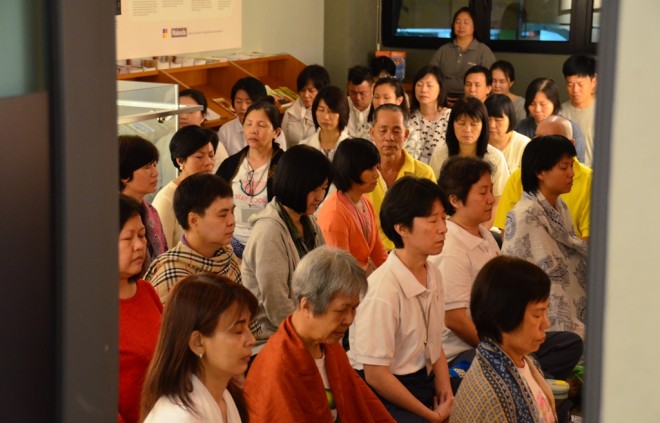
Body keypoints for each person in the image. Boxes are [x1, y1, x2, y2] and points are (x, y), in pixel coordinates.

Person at [431, 157, 582, 393]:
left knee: (569, 343)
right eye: (483, 192)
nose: (491, 199)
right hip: (465, 351)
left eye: (491, 190)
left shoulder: (486, 235)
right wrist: (501, 352)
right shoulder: (451, 248)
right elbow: (455, 319)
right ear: (455, 200)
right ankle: (533, 381)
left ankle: (531, 378)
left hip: (502, 337)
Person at [244, 247, 395, 422]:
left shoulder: (329, 346)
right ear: (307, 306)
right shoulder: (276, 368)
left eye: (353, 309)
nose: (349, 320)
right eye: (341, 311)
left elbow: (361, 405)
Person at [349, 177, 454, 422]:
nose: (443, 228)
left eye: (444, 218)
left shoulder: (433, 273)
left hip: (422, 377)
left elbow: (435, 342)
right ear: (402, 228)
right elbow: (376, 375)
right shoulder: (383, 290)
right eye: (432, 220)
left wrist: (446, 391)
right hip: (383, 391)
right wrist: (430, 414)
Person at [242, 145, 332, 355]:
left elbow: (326, 276)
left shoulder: (308, 221)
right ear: (295, 185)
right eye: (314, 189)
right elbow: (277, 307)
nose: (320, 197)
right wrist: (316, 335)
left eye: (324, 188)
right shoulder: (269, 231)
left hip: (306, 329)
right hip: (271, 340)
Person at [450, 256, 558, 422]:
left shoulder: (524, 361)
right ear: (503, 317)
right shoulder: (493, 398)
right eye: (537, 314)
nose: (546, 323)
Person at [502, 135, 588, 338]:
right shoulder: (525, 215)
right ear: (540, 172)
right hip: (536, 317)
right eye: (564, 167)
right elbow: (547, 272)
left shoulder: (561, 206)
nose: (571, 174)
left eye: (572, 166)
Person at [140, 274, 257, 422]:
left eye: (249, 327)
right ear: (198, 342)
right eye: (238, 331)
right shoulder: (178, 417)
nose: (251, 340)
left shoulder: (225, 397)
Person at [145, 174, 241, 304]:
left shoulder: (228, 258)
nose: (232, 221)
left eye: (232, 212)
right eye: (223, 215)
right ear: (194, 220)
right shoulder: (172, 278)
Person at [493, 116, 592, 240]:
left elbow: (590, 241)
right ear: (540, 173)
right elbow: (507, 231)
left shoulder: (590, 181)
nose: (541, 148)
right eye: (538, 139)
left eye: (551, 142)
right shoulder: (518, 178)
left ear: (570, 144)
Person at [217, 99, 285, 258]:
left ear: (276, 132)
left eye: (261, 125)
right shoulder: (231, 164)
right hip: (232, 242)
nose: (253, 130)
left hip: (270, 243)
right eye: (249, 124)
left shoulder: (286, 166)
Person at [429, 96, 510, 228]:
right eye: (461, 123)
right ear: (452, 125)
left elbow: (498, 201)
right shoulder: (440, 154)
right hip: (447, 225)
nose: (467, 129)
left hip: (484, 224)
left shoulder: (495, 157)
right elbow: (434, 197)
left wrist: (481, 231)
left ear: (483, 125)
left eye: (473, 124)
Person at [118, 194, 162, 423]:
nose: (139, 245)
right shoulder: (90, 310)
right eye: (128, 238)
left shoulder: (146, 291)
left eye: (142, 235)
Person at [366, 104, 435, 251]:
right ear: (372, 133)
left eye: (396, 131)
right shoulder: (360, 172)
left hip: (410, 253)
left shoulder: (423, 174)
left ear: (406, 134)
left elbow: (431, 221)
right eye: (383, 130)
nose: (389, 137)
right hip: (368, 253)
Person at [317, 139, 387, 275]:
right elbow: (340, 272)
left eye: (376, 168)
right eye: (370, 168)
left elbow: (379, 255)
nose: (377, 174)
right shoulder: (335, 213)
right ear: (351, 169)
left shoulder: (365, 202)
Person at [152, 125, 218, 248]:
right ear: (180, 161)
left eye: (211, 155)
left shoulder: (213, 190)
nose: (208, 162)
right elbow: (161, 252)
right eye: (199, 157)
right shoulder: (166, 199)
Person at [154, 89, 229, 194]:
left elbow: (223, 182)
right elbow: (155, 186)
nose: (184, 116)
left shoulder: (214, 146)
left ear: (203, 116)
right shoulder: (162, 143)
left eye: (190, 111)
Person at [119, 135, 168, 270]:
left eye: (154, 164)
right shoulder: (114, 214)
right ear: (124, 174)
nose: (155, 173)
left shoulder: (151, 210)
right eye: (147, 167)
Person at [430, 7, 496, 106]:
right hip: (443, 100)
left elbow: (490, 82)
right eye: (457, 22)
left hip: (473, 102)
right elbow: (431, 75)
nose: (461, 26)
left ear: (475, 25)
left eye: (466, 22)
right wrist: (441, 97)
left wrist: (465, 100)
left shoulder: (484, 51)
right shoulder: (443, 50)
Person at [517, 77, 586, 163]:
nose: (537, 109)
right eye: (532, 104)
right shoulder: (522, 126)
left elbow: (578, 164)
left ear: (554, 103)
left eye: (543, 104)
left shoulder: (570, 127)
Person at [217, 76, 286, 160]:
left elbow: (280, 161)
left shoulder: (273, 131)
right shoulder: (225, 131)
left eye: (248, 102)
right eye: (238, 101)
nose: (243, 107)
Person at [406, 66, 451, 164]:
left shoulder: (450, 117)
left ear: (441, 88)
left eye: (429, 85)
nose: (423, 90)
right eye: (419, 85)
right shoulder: (406, 116)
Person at [560, 55, 597, 167]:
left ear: (593, 82)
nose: (575, 90)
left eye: (580, 84)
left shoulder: (604, 113)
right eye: (570, 85)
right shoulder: (559, 114)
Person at [281, 64, 331, 147]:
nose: (306, 95)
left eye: (311, 91)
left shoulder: (329, 114)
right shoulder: (290, 113)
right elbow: (284, 144)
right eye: (303, 90)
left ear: (322, 91)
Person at [300, 85, 350, 161]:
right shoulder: (304, 147)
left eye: (332, 111)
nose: (326, 117)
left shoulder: (352, 150)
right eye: (321, 110)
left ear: (343, 113)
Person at [484, 94, 530, 172]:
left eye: (498, 120)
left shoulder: (524, 145)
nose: (492, 125)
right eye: (488, 119)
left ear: (510, 119)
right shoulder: (478, 142)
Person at [359, 77, 408, 142]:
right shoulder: (366, 126)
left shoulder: (408, 129)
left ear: (399, 100)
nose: (380, 102)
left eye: (386, 98)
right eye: (376, 97)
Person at [346, 65, 374, 138]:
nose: (358, 98)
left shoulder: (379, 107)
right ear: (347, 86)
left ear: (372, 88)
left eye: (362, 93)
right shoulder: (341, 105)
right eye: (353, 92)